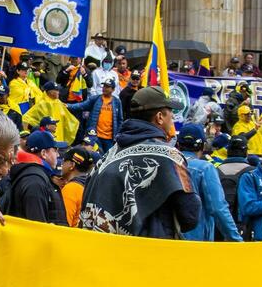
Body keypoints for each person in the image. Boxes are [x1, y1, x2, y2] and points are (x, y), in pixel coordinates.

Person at [78, 86, 200, 238]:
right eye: (171, 112)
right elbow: (190, 215)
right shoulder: (168, 156)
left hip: (104, 251)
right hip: (147, 250)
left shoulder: (106, 156)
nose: (173, 118)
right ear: (160, 117)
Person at [176, 124, 241, 242]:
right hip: (196, 244)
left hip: (165, 242)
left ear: (178, 145)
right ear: (203, 145)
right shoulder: (205, 168)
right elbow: (218, 208)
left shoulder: (166, 164)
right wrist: (236, 240)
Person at [1, 130, 67, 225]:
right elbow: (37, 229)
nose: (58, 154)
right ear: (44, 153)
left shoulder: (37, 175)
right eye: (55, 150)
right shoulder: (35, 180)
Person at [57, 146, 94, 228]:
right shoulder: (90, 185)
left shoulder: (71, 188)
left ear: (72, 165)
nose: (62, 165)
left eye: (64, 162)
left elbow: (64, 224)